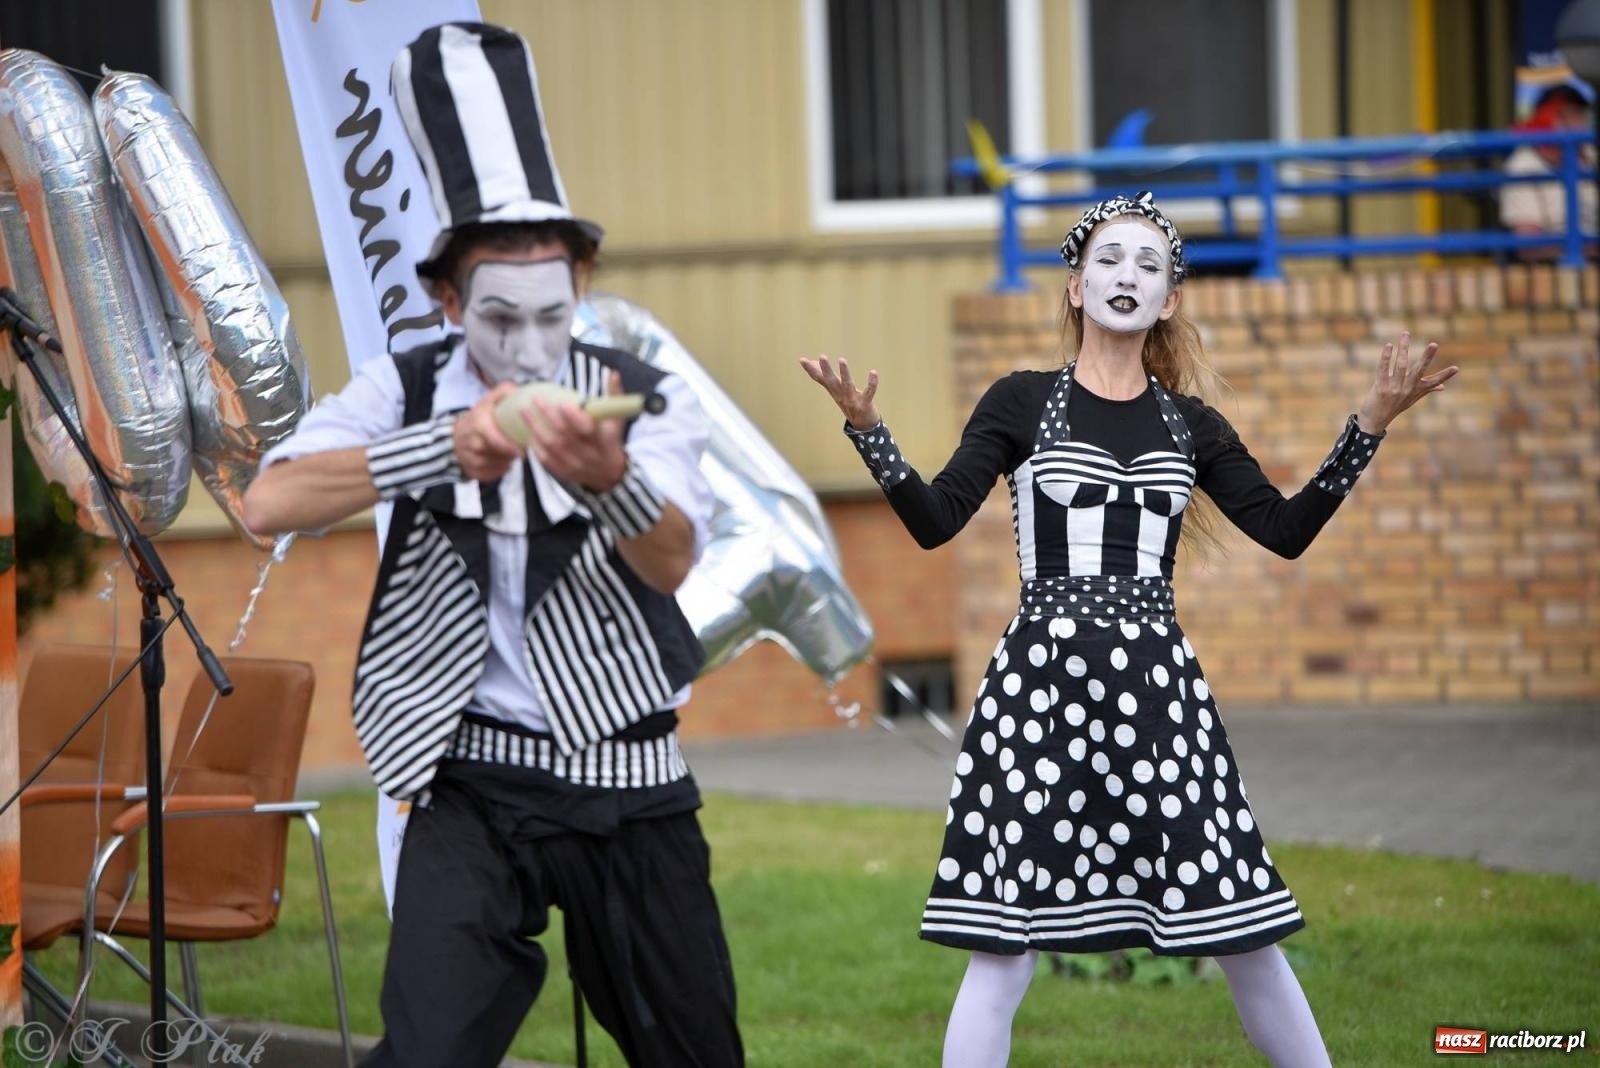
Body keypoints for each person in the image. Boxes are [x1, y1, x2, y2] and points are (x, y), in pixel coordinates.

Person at [801, 191, 1457, 1068]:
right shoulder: (1021, 401)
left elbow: (1286, 530)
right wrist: (868, 430)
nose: (1127, 277)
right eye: (1109, 260)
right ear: (1076, 286)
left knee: (1244, 928)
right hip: (1040, 692)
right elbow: (933, 520)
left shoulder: (1192, 426)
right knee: (1003, 950)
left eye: (1149, 266)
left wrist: (1366, 427)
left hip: (1159, 698)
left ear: (1170, 301)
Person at [242, 23, 742, 1068]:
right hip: (472, 778)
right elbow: (267, 504)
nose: (525, 346)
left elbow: (672, 562)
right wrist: (434, 449)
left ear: (584, 282)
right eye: (497, 314)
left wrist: (612, 483)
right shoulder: (406, 388)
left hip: (628, 773)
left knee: (692, 1053)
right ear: (447, 298)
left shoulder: (636, 394)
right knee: (425, 1052)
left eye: (550, 310)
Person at [1499, 84, 1597, 257]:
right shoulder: (1523, 165)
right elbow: (1529, 247)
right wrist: (1586, 251)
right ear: (1543, 120)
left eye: (1579, 115)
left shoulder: (1590, 156)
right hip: (1554, 272)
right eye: (1563, 116)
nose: (1575, 125)